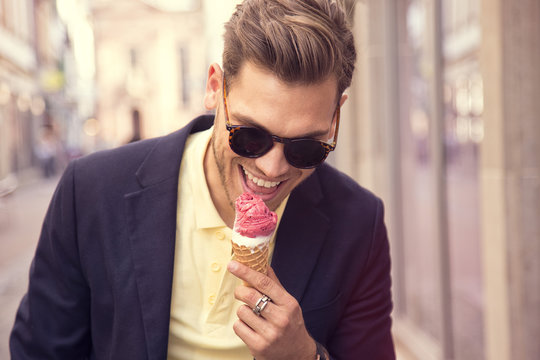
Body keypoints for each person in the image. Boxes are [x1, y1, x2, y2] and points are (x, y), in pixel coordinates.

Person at [10, 0, 395, 359]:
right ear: (215, 89)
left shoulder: (359, 225)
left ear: (335, 117)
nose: (273, 168)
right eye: (250, 136)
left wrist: (305, 355)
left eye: (305, 147)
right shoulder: (91, 192)